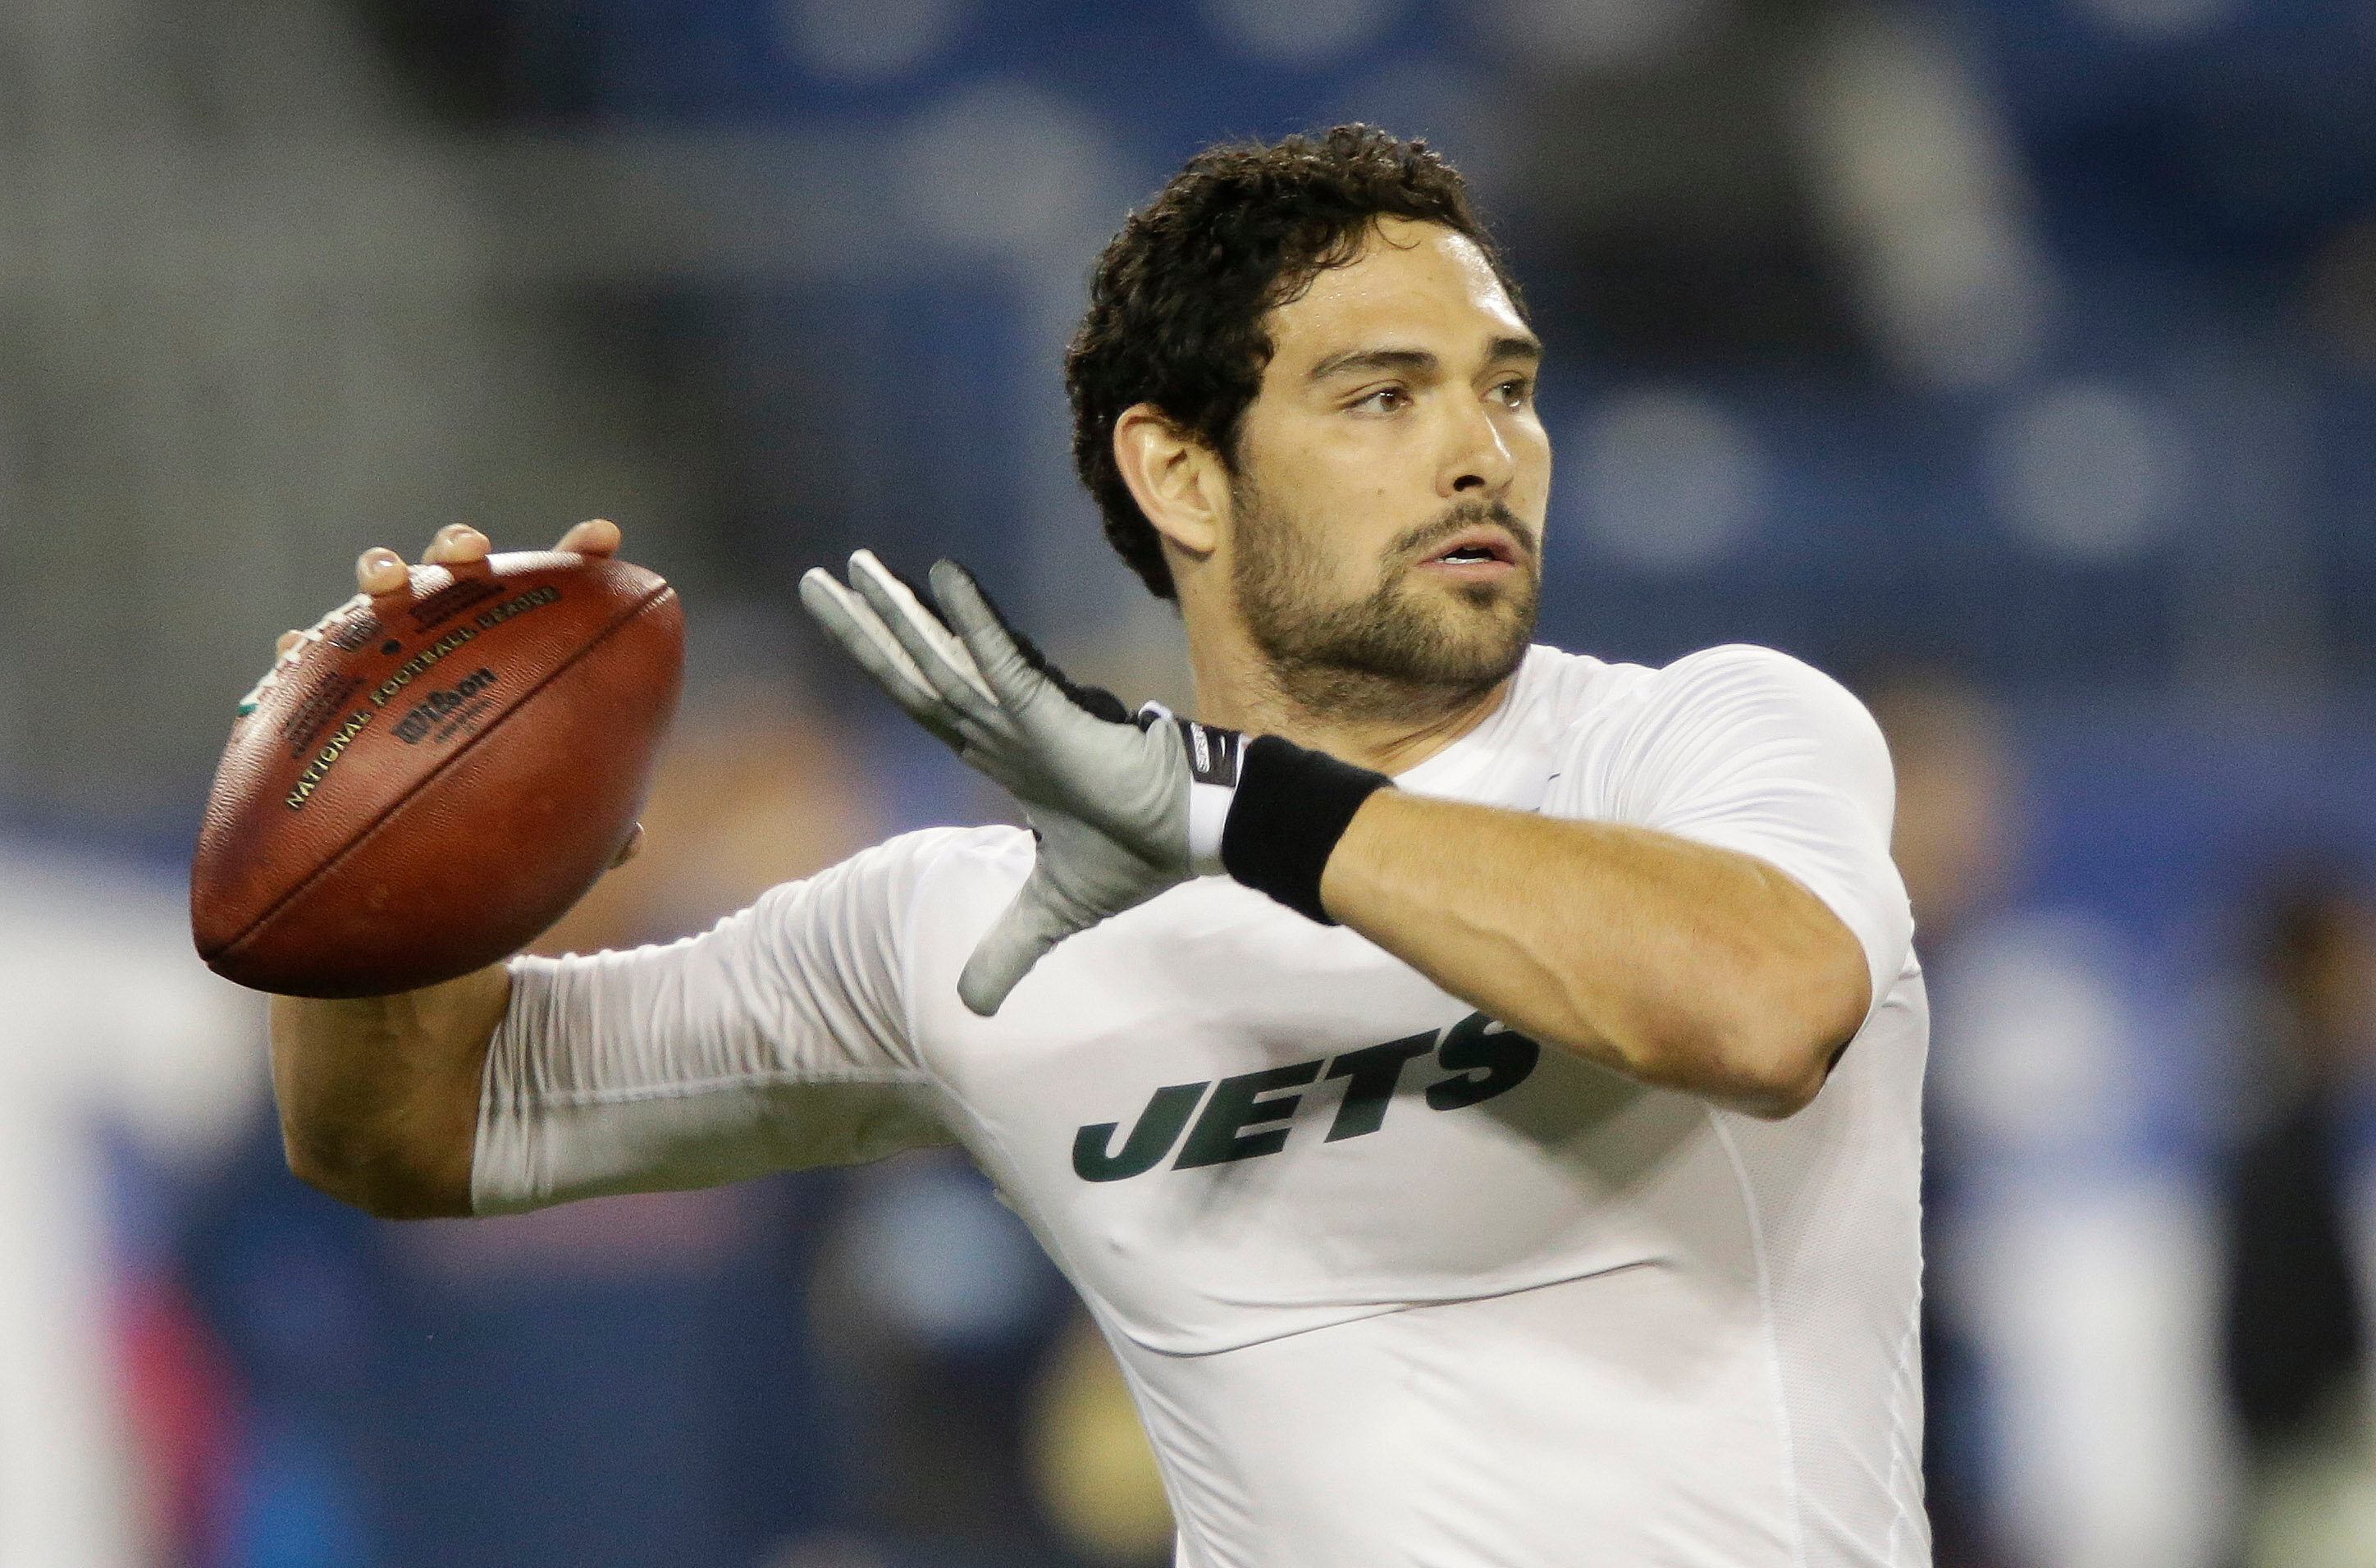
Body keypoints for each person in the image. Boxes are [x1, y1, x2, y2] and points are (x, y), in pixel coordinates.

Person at [266, 126, 1925, 1566]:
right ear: (1178, 473)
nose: (1481, 448)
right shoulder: (960, 939)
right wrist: (372, 831)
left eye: (1506, 388)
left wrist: (1223, 800)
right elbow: (414, 1125)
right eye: (1380, 395)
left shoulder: (1698, 739)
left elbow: (1759, 1005)